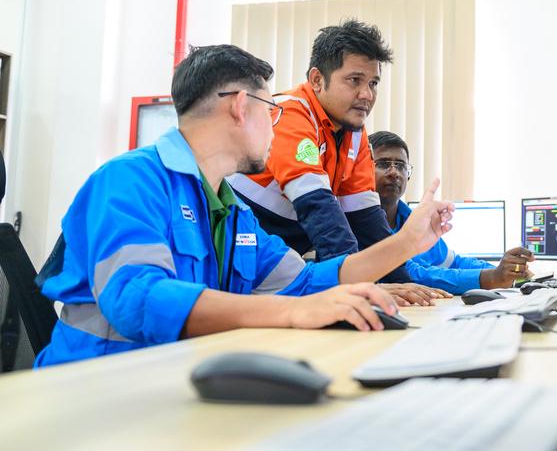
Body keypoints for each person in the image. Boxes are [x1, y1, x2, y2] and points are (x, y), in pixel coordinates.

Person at [35, 45, 453, 367]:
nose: (276, 125)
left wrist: (407, 243)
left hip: (176, 381)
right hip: (96, 393)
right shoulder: (129, 181)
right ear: (239, 106)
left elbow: (306, 282)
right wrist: (291, 313)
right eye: (270, 109)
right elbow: (138, 300)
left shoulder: (233, 210)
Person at [229, 19, 451, 305]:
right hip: (246, 252)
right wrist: (361, 286)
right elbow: (320, 210)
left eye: (373, 83)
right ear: (317, 80)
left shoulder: (354, 132)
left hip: (282, 259)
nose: (367, 95)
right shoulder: (291, 113)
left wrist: (404, 287)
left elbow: (368, 223)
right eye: (354, 80)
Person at [369, 131, 534, 294]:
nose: (394, 172)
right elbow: (412, 275)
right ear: (364, 170)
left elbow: (454, 262)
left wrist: (509, 271)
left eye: (400, 166)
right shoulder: (360, 223)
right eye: (383, 164)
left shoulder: (412, 219)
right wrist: (492, 277)